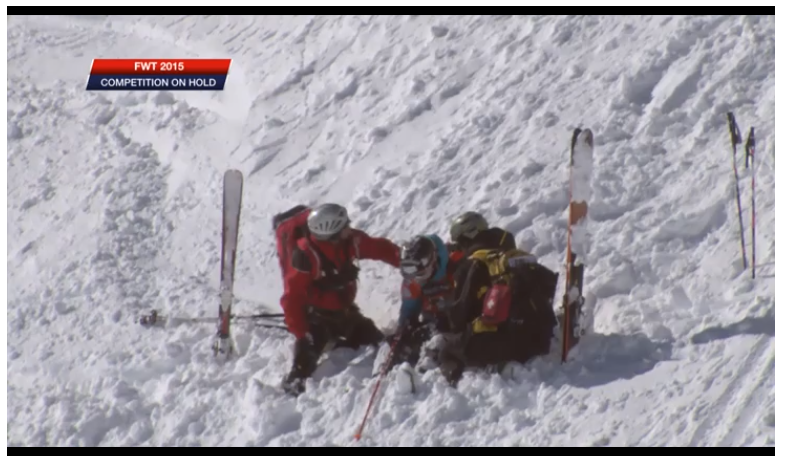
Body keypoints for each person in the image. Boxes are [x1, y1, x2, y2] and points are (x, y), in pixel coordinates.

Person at [272, 203, 401, 396]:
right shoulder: (306, 256)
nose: (349, 228)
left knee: (374, 338)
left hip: (346, 313)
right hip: (317, 318)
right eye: (344, 226)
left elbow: (378, 248)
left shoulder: (349, 241)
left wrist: (405, 260)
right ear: (330, 232)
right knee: (308, 353)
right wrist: (301, 333)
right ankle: (294, 381)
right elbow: (292, 299)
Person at [438, 211, 559, 386]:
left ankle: (458, 385)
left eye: (459, 243)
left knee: (448, 350)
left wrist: (445, 313)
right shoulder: (513, 256)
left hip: (510, 344)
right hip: (543, 338)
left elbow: (458, 318)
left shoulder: (473, 263)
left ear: (466, 238)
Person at [387, 234, 462, 371]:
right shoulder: (413, 281)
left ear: (431, 262)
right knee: (396, 341)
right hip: (430, 323)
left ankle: (425, 374)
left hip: (457, 325)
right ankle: (384, 369)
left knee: (437, 343)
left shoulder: (456, 266)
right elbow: (409, 311)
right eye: (408, 271)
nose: (415, 277)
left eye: (418, 272)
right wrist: (403, 330)